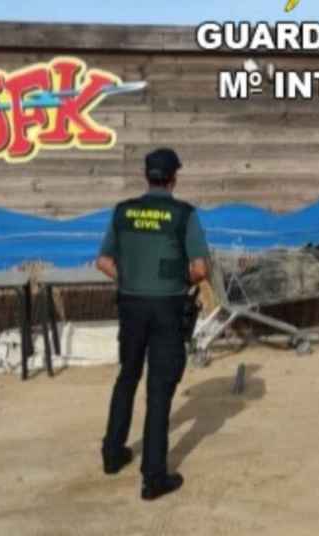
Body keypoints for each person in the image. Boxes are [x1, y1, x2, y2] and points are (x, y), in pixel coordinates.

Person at [96, 148, 210, 501]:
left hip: (130, 305)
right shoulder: (183, 215)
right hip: (167, 308)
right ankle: (153, 477)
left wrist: (129, 279)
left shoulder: (123, 211)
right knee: (159, 390)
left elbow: (103, 261)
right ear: (173, 178)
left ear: (147, 176)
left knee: (127, 376)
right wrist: (181, 282)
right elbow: (201, 269)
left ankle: (113, 455)